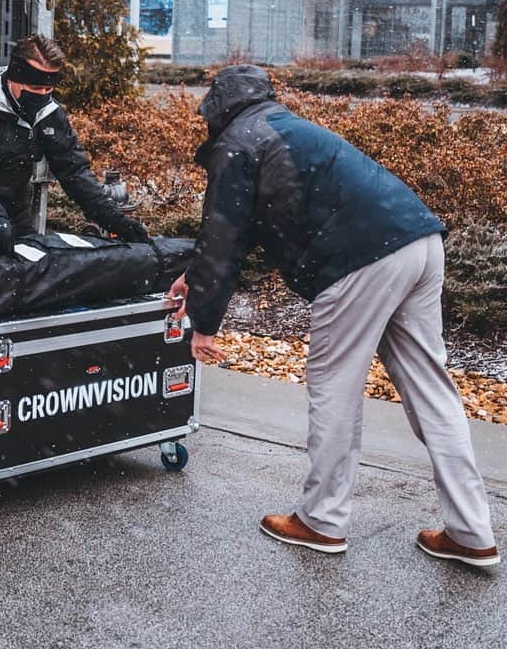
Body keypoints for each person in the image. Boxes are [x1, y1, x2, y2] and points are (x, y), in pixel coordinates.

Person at [170, 64, 499, 568]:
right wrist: (195, 281)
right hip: (419, 240)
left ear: (216, 107)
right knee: (432, 390)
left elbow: (223, 238)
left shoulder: (238, 143)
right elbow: (248, 232)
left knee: (334, 386)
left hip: (358, 259)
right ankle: (473, 532)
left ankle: (322, 522)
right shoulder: (286, 129)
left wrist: (203, 324)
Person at [0, 34, 148, 255]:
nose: (42, 95)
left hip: (17, 219)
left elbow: (74, 172)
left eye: (47, 90)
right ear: (13, 79)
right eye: (35, 88)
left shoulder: (49, 114)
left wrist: (114, 219)